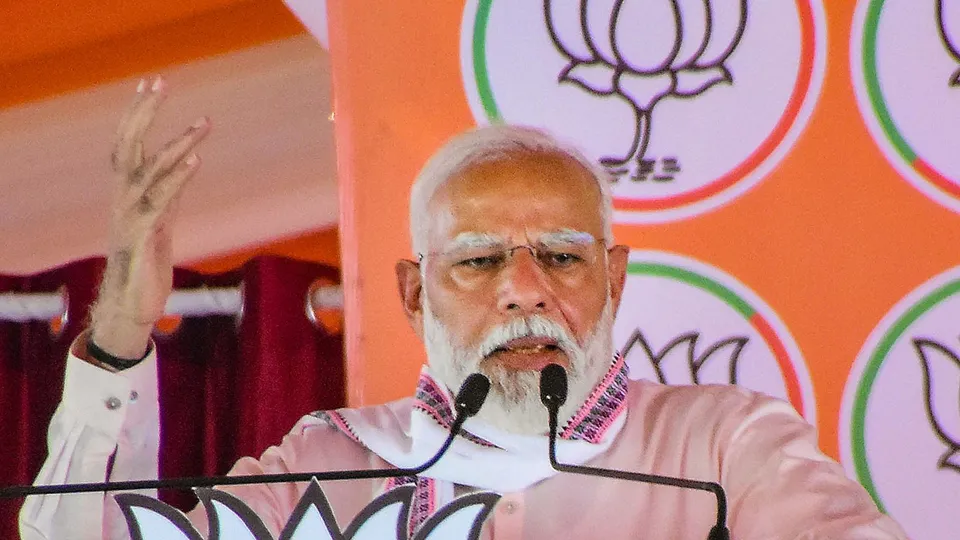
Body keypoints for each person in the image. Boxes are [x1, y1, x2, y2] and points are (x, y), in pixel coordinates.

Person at [19, 77, 909, 540]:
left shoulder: (721, 446)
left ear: (614, 279)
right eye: (479, 261)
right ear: (413, 293)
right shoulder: (331, 461)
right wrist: (124, 329)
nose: (525, 290)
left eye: (560, 256)